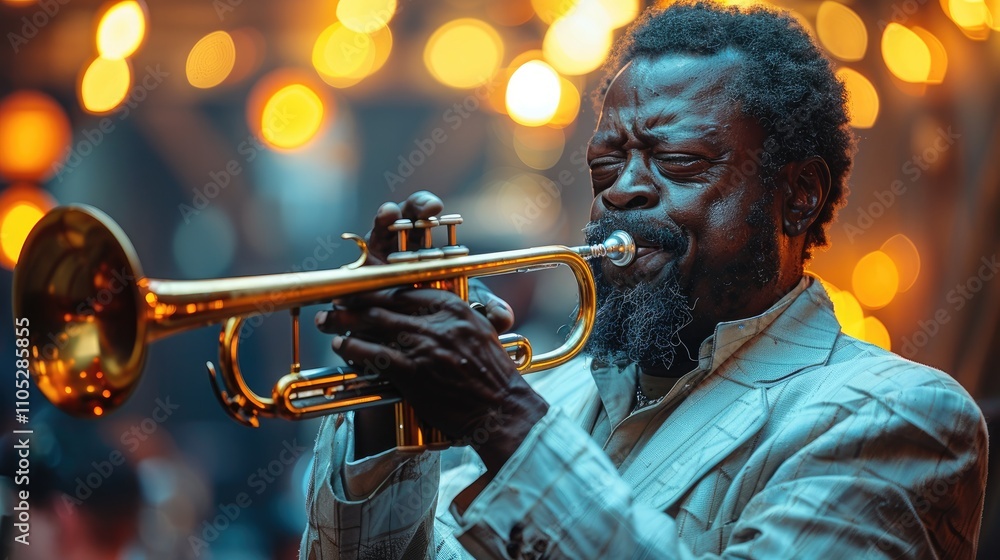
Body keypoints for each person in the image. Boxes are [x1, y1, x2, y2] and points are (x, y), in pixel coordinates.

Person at [299, 2, 988, 558]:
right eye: (605, 170)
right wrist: (386, 410)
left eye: (679, 162)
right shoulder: (548, 388)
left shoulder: (897, 414)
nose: (623, 192)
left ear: (798, 196)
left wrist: (499, 414)